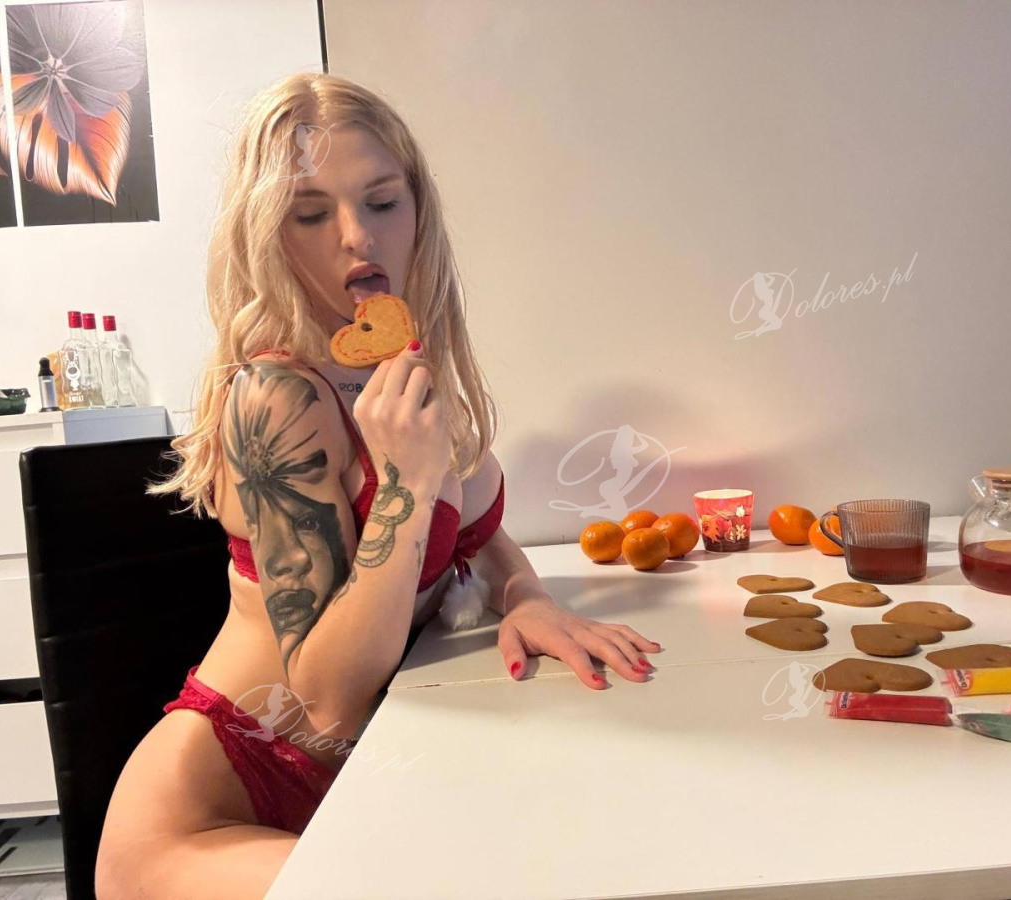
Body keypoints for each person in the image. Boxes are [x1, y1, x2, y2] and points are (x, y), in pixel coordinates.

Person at [94, 72, 662, 900]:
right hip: (213, 814)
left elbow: (475, 532)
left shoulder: (401, 361)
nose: (357, 236)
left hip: (367, 778)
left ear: (418, 210)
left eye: (382, 201)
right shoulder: (276, 396)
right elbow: (329, 695)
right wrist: (404, 483)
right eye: (310, 213)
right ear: (268, 233)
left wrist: (528, 597)